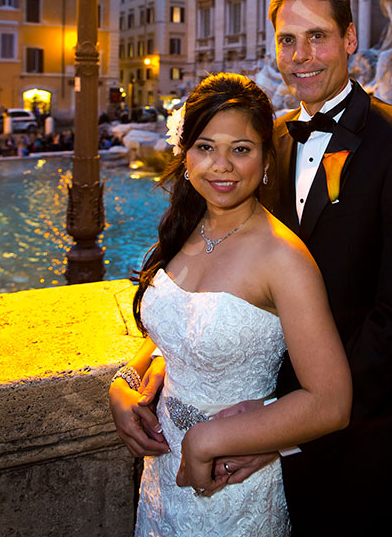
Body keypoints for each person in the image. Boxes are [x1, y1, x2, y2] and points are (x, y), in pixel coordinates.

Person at [237, 0, 392, 536]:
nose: (300, 57)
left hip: (367, 450)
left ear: (351, 39)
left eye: (318, 37)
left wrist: (290, 427)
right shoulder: (274, 140)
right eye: (287, 41)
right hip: (274, 443)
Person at [109, 72, 352, 537]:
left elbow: (331, 403)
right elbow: (177, 332)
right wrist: (126, 382)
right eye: (205, 147)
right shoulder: (186, 227)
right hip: (161, 480)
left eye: (240, 149)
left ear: (264, 160)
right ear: (185, 156)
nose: (221, 165)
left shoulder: (284, 260)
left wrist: (208, 439)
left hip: (234, 486)